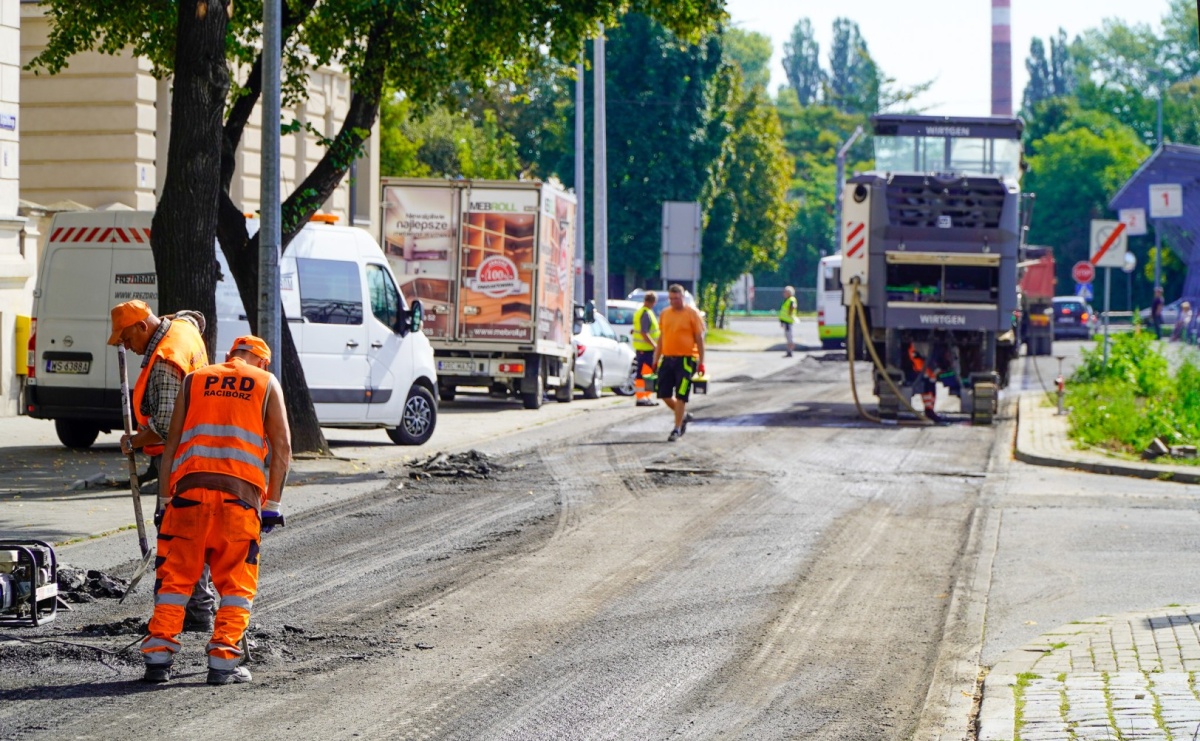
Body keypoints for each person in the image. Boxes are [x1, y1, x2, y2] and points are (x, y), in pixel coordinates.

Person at [140, 335, 292, 685]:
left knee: (174, 582)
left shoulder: (195, 380)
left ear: (229, 356)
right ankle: (223, 662)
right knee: (237, 584)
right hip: (238, 502)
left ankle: (158, 659)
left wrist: (165, 502)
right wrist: (272, 505)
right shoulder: (266, 382)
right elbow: (282, 447)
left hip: (187, 498)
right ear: (263, 362)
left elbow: (171, 445)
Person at [109, 299, 216, 631]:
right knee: (192, 534)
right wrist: (170, 318)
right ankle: (197, 609)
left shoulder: (165, 361)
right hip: (198, 452)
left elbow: (169, 425)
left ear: (143, 327)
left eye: (127, 339)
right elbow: (194, 316)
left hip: (183, 460)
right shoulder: (182, 329)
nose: (127, 347)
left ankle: (191, 613)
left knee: (177, 535)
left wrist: (133, 442)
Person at [654, 284, 706, 442]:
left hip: (686, 360)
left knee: (681, 395)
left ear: (683, 297)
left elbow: (699, 339)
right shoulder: (665, 314)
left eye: (676, 298)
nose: (673, 302)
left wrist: (701, 362)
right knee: (663, 393)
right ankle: (682, 415)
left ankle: (676, 428)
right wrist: (656, 359)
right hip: (668, 358)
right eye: (671, 299)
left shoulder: (692, 314)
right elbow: (662, 337)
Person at [631, 291, 660, 407]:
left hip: (641, 348)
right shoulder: (646, 314)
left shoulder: (641, 312)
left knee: (643, 374)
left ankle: (642, 397)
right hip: (646, 349)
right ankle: (643, 398)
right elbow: (644, 332)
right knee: (646, 374)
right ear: (653, 302)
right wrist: (655, 345)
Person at [779, 286, 798, 357]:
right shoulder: (787, 300)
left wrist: (790, 313)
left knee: (789, 337)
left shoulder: (791, 299)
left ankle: (790, 351)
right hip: (785, 321)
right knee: (787, 336)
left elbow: (793, 306)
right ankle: (789, 351)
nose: (784, 293)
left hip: (788, 321)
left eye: (785, 292)